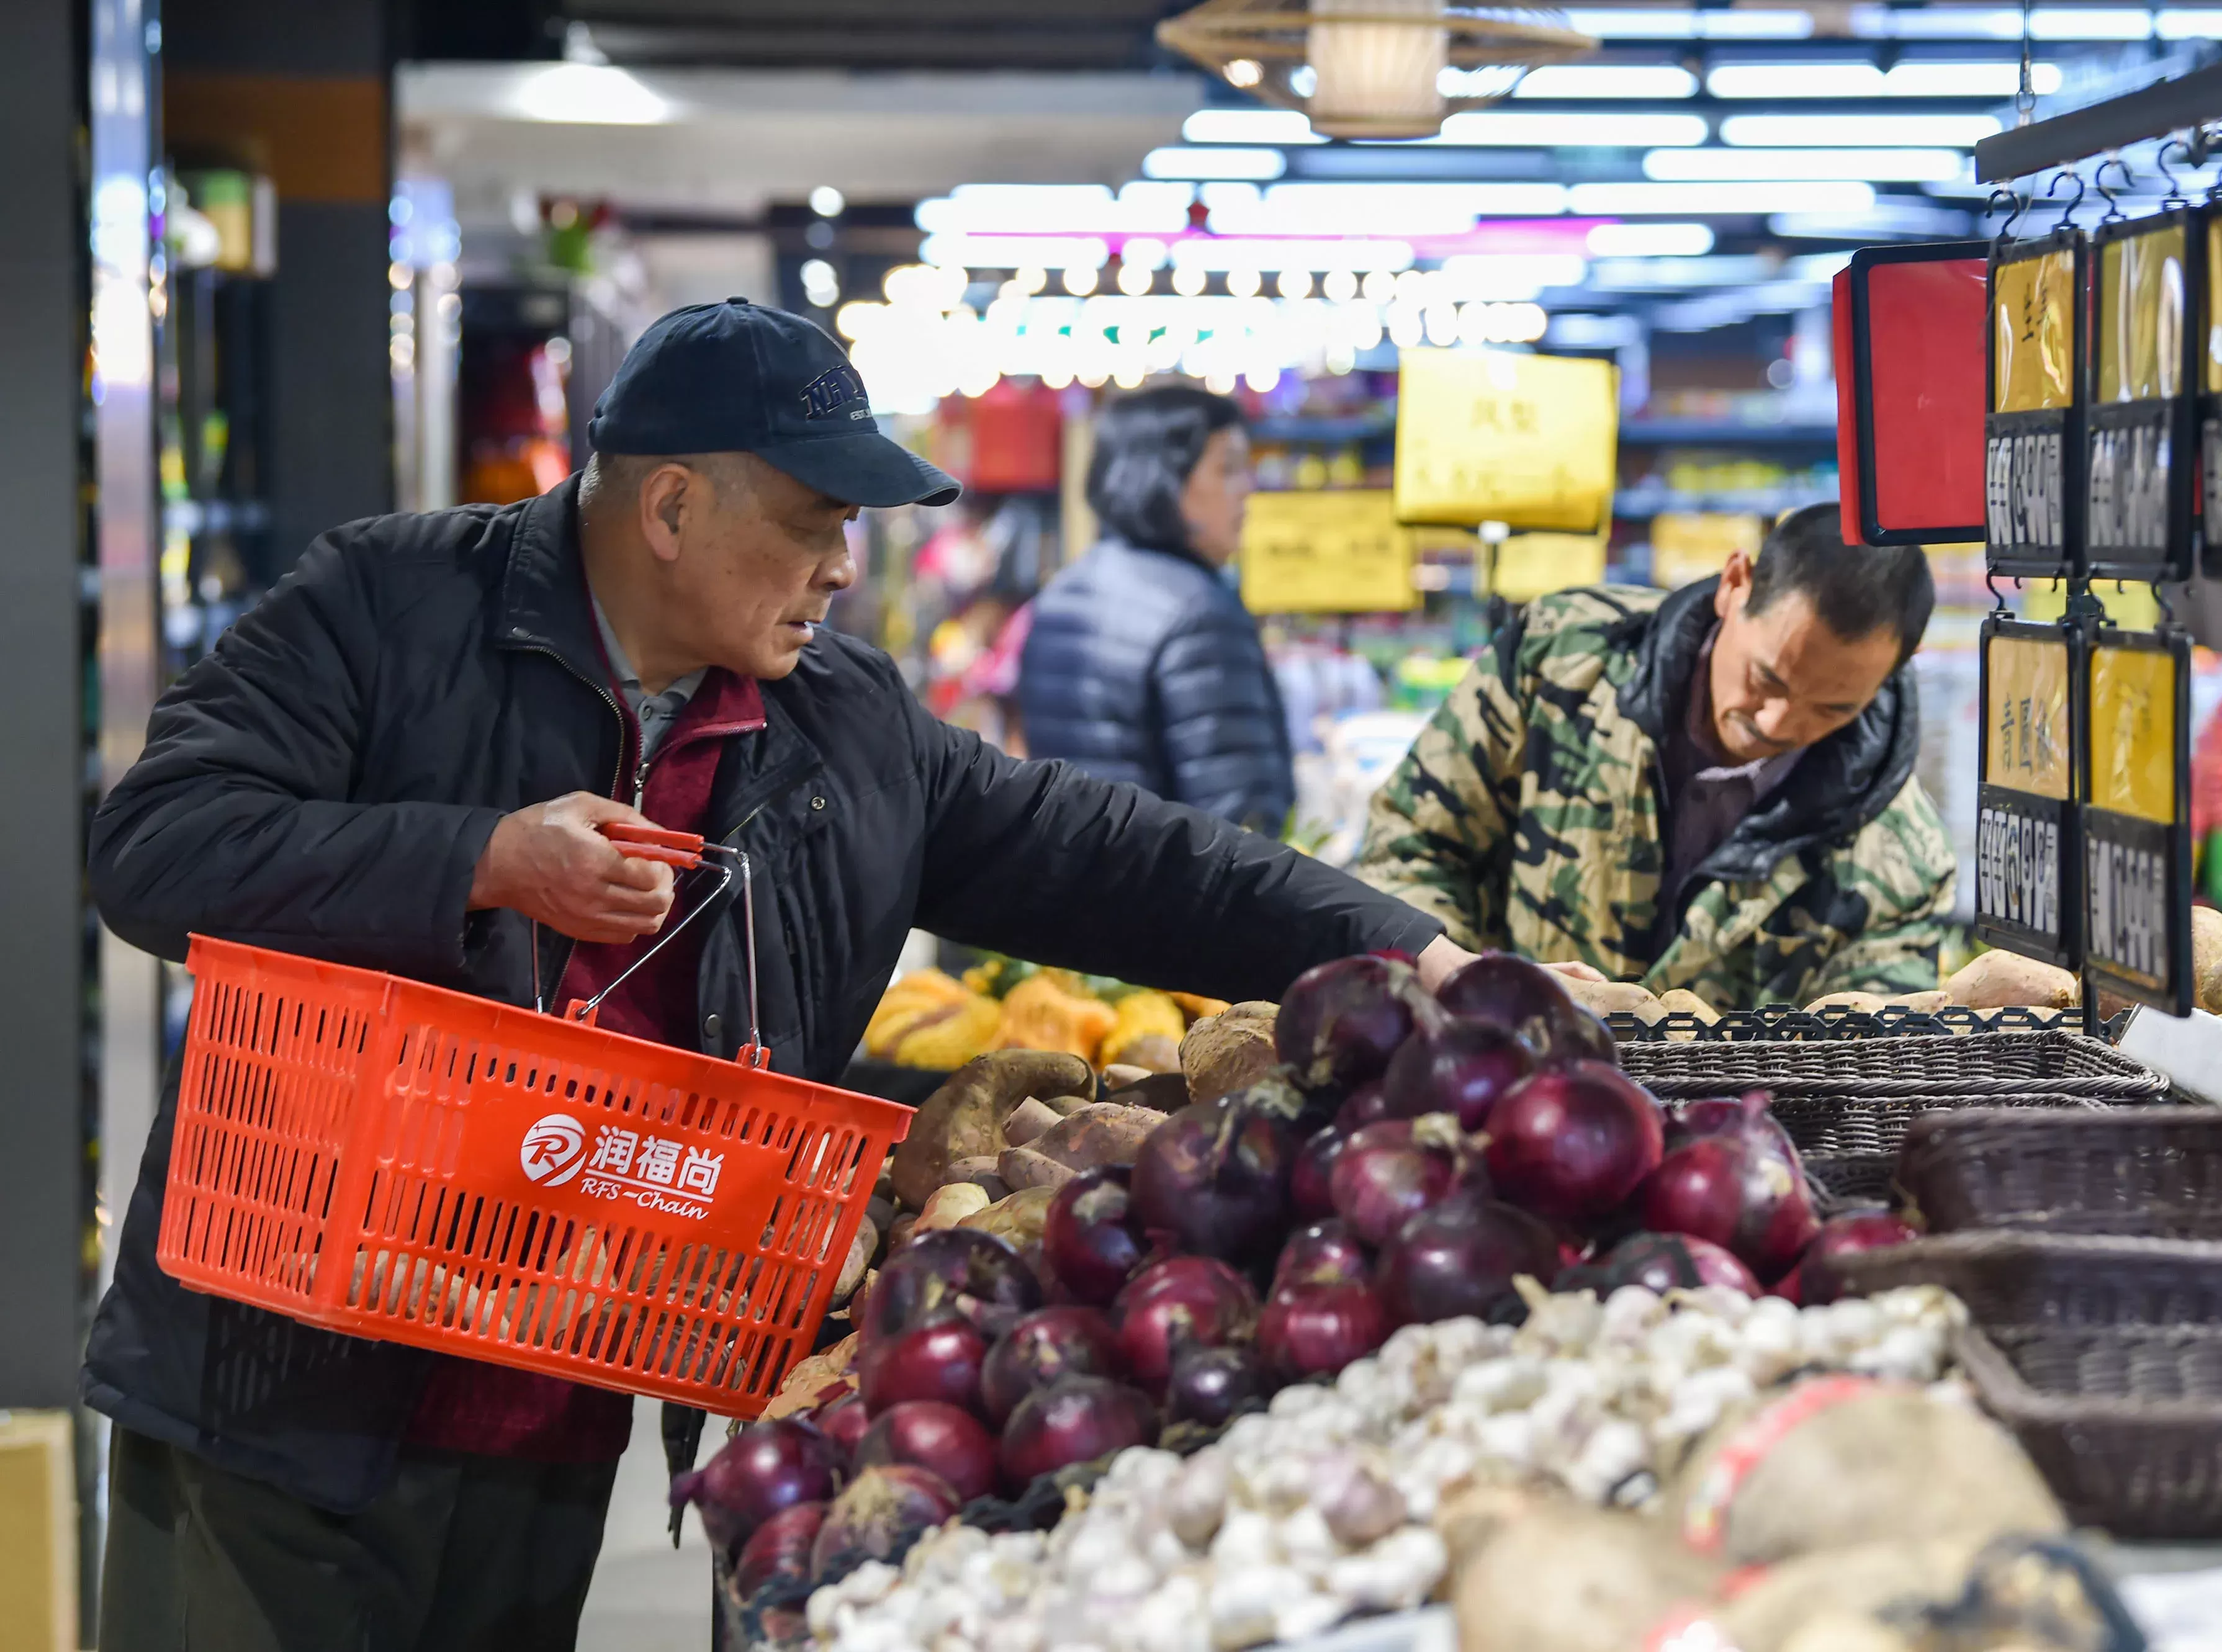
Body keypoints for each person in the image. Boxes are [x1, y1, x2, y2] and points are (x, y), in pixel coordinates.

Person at [83, 299, 1479, 1652]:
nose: (839, 566)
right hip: (278, 1375)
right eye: (812, 523)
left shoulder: (838, 724)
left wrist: (1401, 945)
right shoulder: (385, 604)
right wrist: (484, 857)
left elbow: (1112, 856)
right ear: (671, 508)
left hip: (552, 1398)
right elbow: (155, 843)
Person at [1357, 504, 1956, 1007]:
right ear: (1735, 584)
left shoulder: (1901, 858)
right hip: (1500, 1081)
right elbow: (1413, 845)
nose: (1779, 722)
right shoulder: (1561, 658)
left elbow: (1864, 1060)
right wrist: (1468, 990)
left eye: (1832, 709)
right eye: (1767, 679)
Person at [1017, 384, 1296, 834]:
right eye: (1228, 469)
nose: (1247, 490)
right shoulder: (1199, 612)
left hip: (1078, 885)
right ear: (1163, 476)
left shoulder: (1062, 593)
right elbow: (1240, 827)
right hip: (1170, 895)